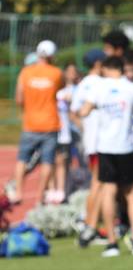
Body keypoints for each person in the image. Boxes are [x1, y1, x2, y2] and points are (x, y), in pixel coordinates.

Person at [78, 55, 133, 257]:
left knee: (108, 192)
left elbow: (83, 111)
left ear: (107, 68)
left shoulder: (98, 88)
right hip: (126, 146)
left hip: (105, 147)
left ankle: (112, 243)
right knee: (131, 193)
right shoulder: (132, 88)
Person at [10, 40, 63, 206]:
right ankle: (39, 196)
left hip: (30, 123)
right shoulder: (56, 73)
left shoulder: (25, 72)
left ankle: (18, 192)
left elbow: (19, 99)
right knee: (47, 161)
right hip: (50, 123)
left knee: (22, 159)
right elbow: (58, 93)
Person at [72, 49, 107, 247]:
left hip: (91, 141)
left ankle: (90, 225)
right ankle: (89, 227)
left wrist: (86, 130)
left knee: (97, 183)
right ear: (98, 64)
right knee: (99, 184)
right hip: (102, 141)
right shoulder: (100, 84)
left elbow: (75, 112)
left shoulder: (83, 83)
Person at [50, 63, 80, 204]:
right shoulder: (56, 91)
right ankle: (53, 189)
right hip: (54, 131)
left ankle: (64, 190)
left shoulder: (78, 90)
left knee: (66, 161)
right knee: (53, 161)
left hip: (69, 132)